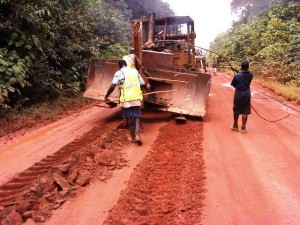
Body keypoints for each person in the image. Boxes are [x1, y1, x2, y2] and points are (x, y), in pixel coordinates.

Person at [104, 59, 147, 145]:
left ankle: (132, 137)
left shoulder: (119, 73)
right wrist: (144, 90)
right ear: (126, 65)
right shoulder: (135, 72)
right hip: (136, 98)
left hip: (126, 100)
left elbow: (113, 85)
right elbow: (142, 83)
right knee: (137, 117)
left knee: (129, 118)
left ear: (119, 65)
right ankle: (138, 135)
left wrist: (106, 96)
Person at [230, 60, 253, 134]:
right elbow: (243, 73)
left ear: (241, 66)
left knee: (236, 111)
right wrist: (235, 70)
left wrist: (235, 70)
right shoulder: (251, 74)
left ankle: (235, 126)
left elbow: (233, 84)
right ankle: (243, 128)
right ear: (248, 67)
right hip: (247, 95)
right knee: (245, 112)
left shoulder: (237, 75)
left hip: (238, 96)